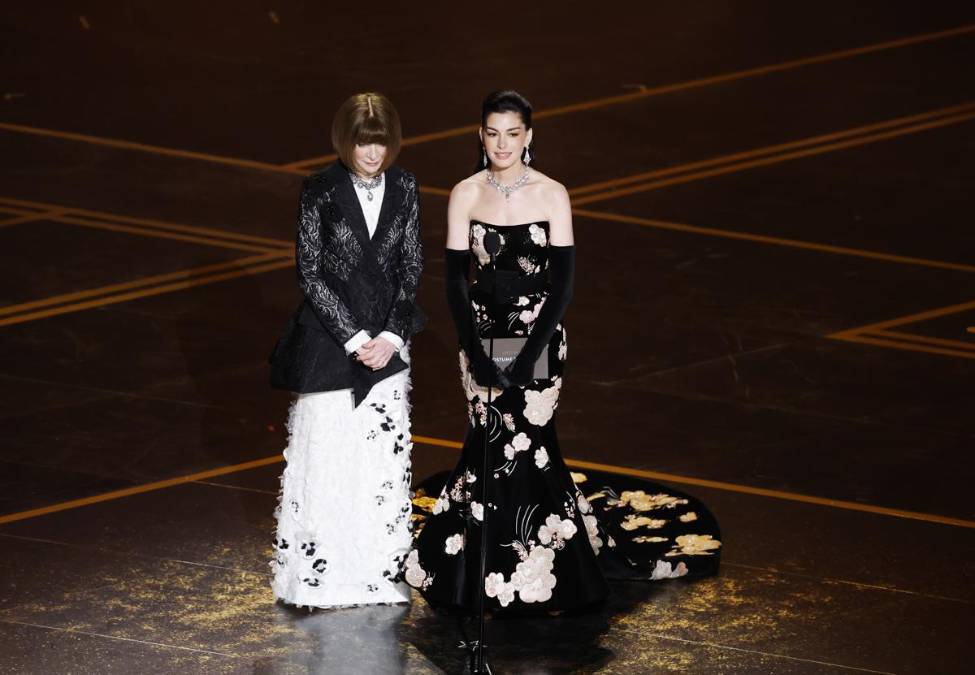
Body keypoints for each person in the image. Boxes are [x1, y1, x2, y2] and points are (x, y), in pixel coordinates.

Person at [405, 90, 721, 614]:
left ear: (529, 136)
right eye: (492, 132)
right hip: (481, 338)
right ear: (480, 135)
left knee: (529, 443)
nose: (502, 144)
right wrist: (473, 349)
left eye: (512, 133)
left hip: (538, 338)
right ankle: (483, 564)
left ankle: (540, 565)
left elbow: (563, 288)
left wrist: (529, 357)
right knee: (487, 441)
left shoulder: (553, 194)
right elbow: (456, 285)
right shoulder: (465, 193)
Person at [268, 92, 424, 608]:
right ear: (345, 141)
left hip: (387, 344)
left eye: (380, 142)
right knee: (331, 459)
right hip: (331, 343)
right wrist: (357, 339)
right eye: (363, 142)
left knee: (377, 462)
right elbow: (310, 272)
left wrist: (391, 338)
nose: (373, 153)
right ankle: (319, 577)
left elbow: (411, 268)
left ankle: (378, 572)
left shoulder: (405, 187)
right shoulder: (319, 189)